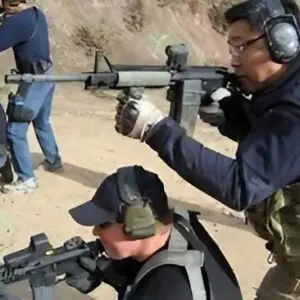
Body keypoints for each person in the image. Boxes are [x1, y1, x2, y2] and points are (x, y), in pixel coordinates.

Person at [114, 0, 300, 299]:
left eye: (241, 46)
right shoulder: (284, 93)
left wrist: (156, 129)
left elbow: (240, 186)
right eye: (231, 48)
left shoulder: (294, 109)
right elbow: (281, 150)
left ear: (283, 43)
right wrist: (232, 113)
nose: (234, 61)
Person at [65, 165, 243, 300]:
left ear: (137, 225)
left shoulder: (168, 290)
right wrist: (106, 271)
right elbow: (143, 268)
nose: (95, 231)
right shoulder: (182, 226)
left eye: (103, 224)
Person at [0, 0, 62, 194]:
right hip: (47, 74)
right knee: (42, 121)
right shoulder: (35, 13)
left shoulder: (18, 21)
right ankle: (53, 160)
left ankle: (26, 179)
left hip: (34, 79)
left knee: (15, 130)